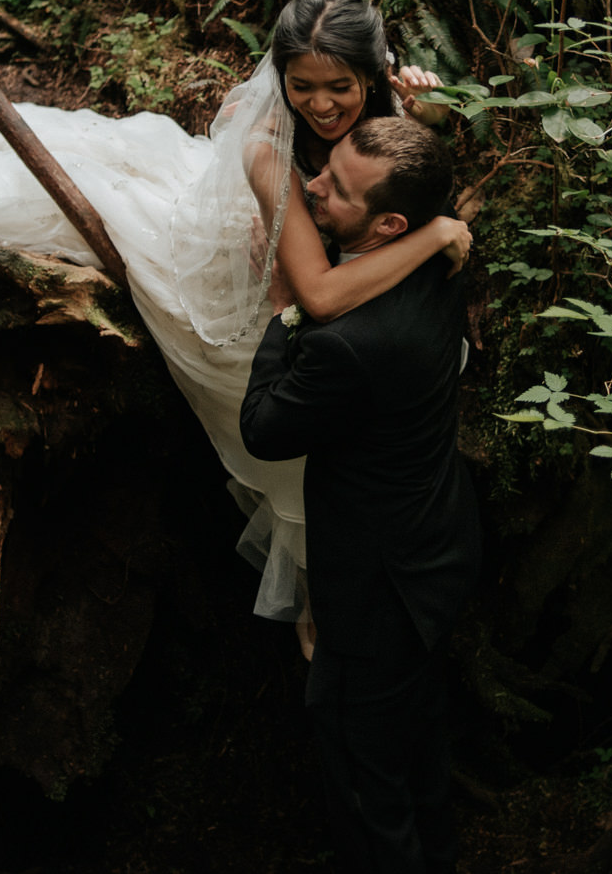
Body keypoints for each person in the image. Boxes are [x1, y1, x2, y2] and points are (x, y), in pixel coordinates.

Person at [0, 0, 470, 624]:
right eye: (301, 86)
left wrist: (430, 117)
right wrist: (436, 233)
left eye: (341, 87)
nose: (322, 106)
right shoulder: (271, 149)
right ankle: (316, 597)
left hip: (328, 271)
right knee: (300, 437)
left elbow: (406, 172)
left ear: (371, 73)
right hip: (254, 287)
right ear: (282, 78)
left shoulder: (386, 105)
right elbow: (316, 295)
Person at [240, 117, 483, 874]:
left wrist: (287, 304)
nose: (312, 184)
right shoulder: (444, 262)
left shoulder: (347, 343)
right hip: (436, 550)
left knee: (363, 773)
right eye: (323, 169)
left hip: (376, 592)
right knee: (419, 749)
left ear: (390, 224)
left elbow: (263, 428)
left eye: (336, 188)